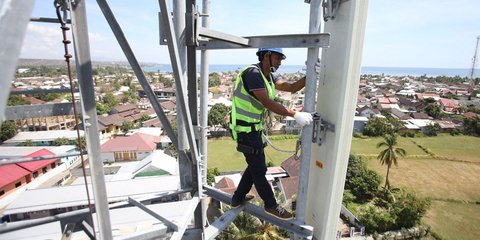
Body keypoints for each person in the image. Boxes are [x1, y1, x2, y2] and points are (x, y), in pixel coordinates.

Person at [229, 48, 313, 220]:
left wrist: (311, 75)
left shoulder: (268, 76)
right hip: (246, 130)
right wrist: (295, 114)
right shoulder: (252, 73)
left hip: (253, 129)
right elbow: (267, 102)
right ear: (266, 56)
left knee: (254, 166)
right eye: (277, 58)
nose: (280, 62)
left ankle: (237, 198)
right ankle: (271, 205)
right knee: (259, 169)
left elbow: (291, 88)